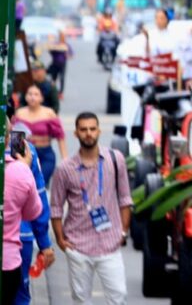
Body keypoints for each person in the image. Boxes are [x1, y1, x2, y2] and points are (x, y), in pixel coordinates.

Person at [50, 112, 132, 305]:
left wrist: (123, 231)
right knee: (81, 300)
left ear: (99, 131)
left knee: (119, 296)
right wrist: (61, 240)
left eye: (92, 129)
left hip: (110, 243)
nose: (88, 133)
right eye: (83, 129)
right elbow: (55, 208)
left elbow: (125, 198)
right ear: (76, 133)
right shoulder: (65, 169)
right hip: (78, 244)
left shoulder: (115, 159)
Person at [12, 124, 56, 305]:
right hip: (19, 240)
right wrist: (44, 242)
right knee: (19, 295)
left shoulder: (23, 148)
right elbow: (37, 202)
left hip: (19, 240)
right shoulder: (22, 148)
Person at [3, 133, 42, 305]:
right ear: (6, 140)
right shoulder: (20, 170)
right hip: (8, 262)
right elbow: (32, 212)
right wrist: (24, 169)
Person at [14, 86, 66, 187]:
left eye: (36, 94)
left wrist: (65, 158)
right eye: (30, 94)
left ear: (41, 98)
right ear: (26, 97)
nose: (33, 97)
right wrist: (16, 159)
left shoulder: (49, 113)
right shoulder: (20, 113)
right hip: (26, 153)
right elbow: (16, 140)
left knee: (40, 183)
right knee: (26, 185)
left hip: (45, 154)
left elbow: (60, 136)